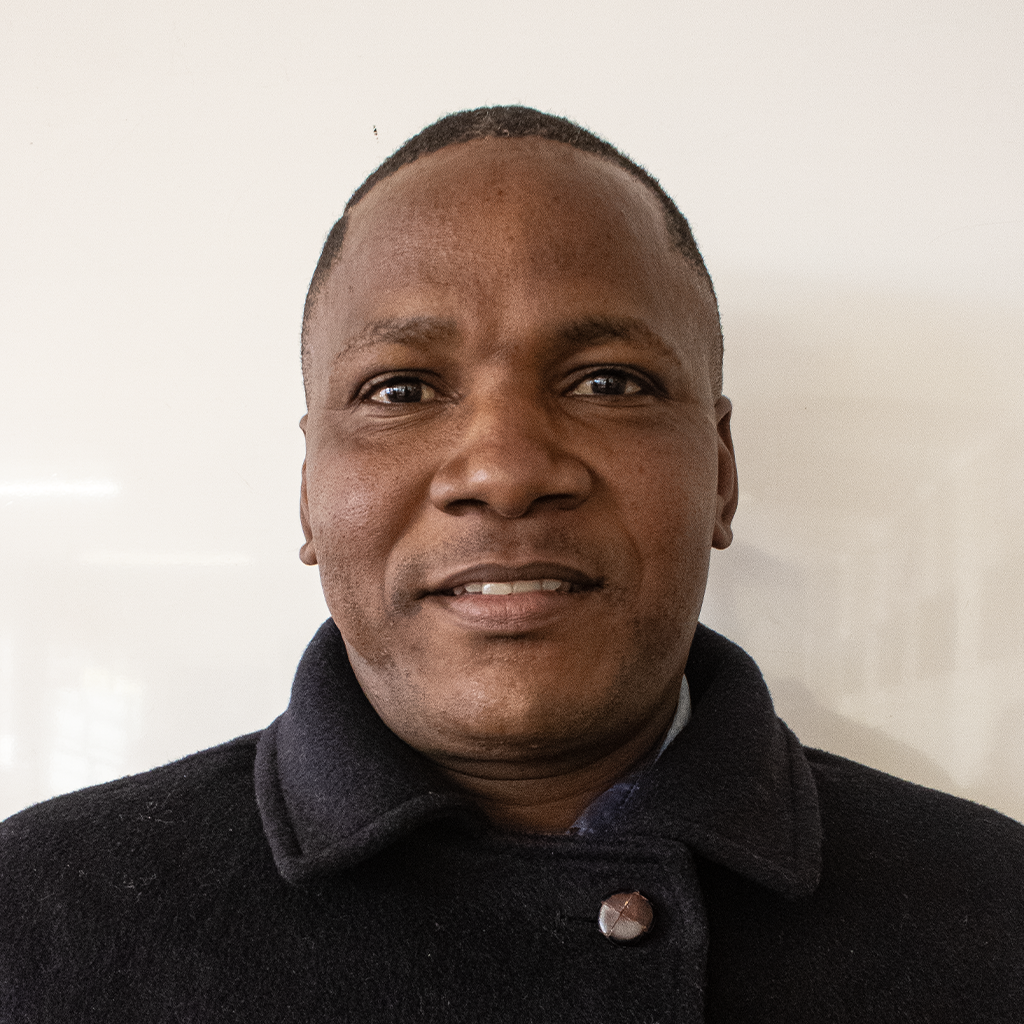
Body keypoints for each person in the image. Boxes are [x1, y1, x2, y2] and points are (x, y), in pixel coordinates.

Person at [2, 105, 1022, 1022]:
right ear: (309, 492)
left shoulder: (991, 915)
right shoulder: (39, 919)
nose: (503, 471)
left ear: (719, 474)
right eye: (400, 390)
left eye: (609, 382)